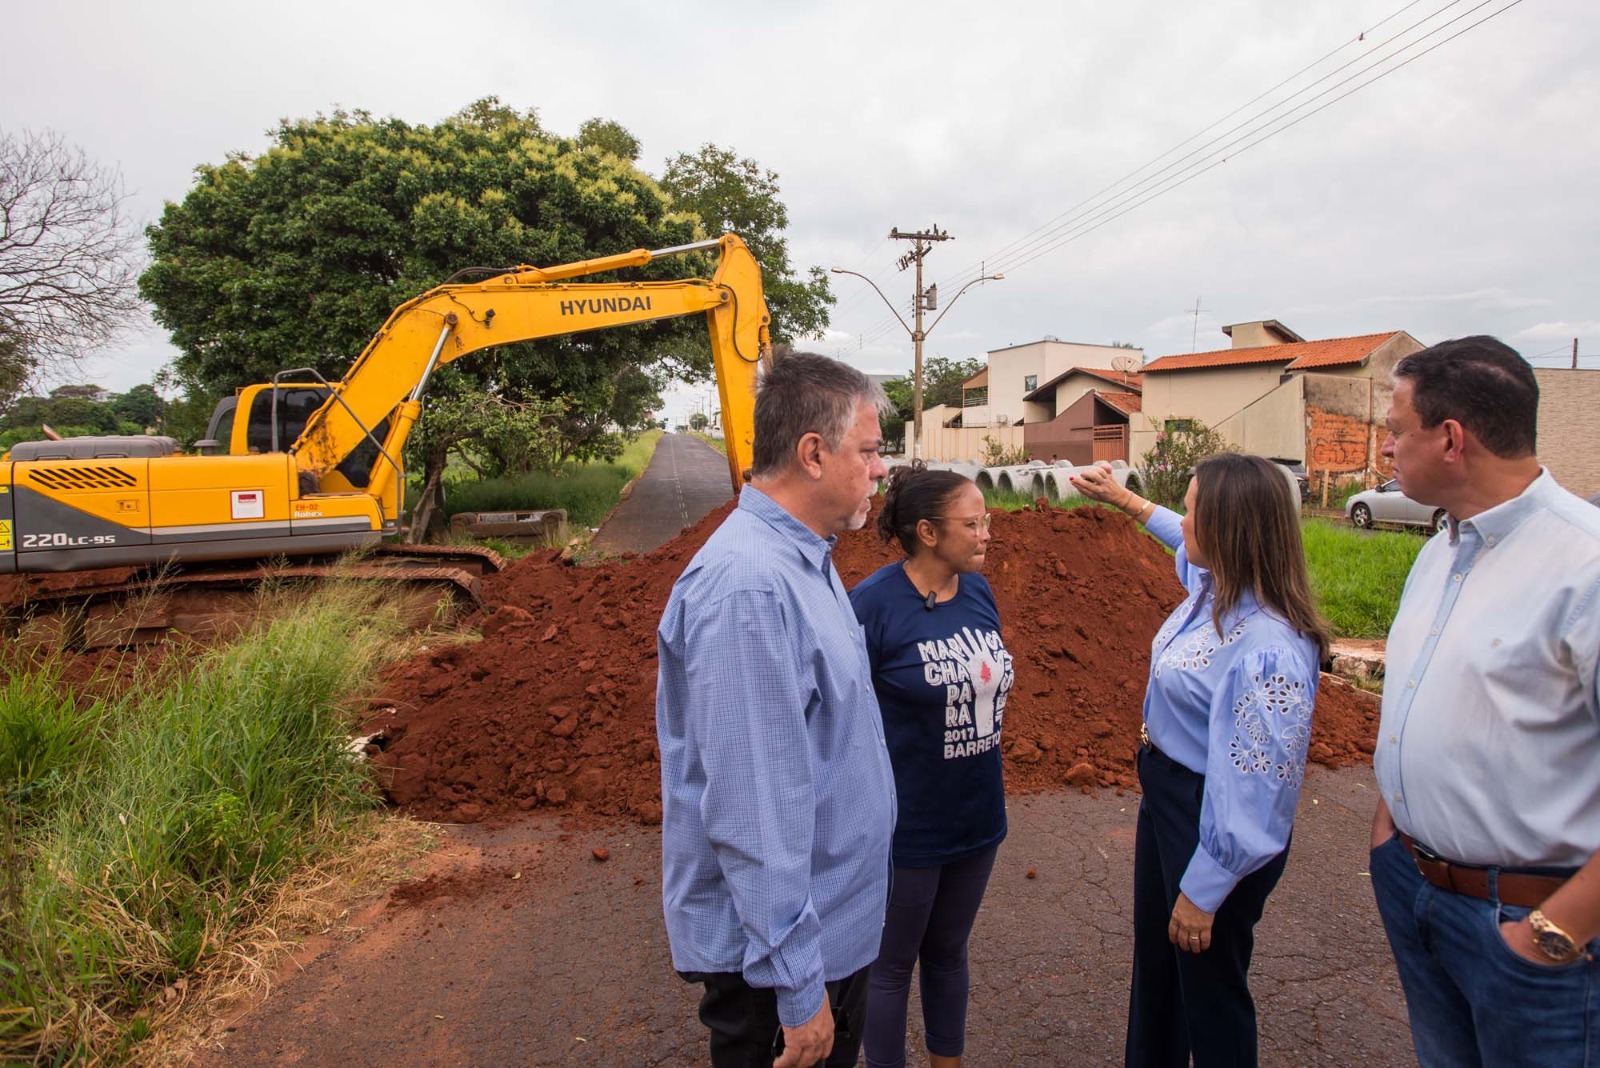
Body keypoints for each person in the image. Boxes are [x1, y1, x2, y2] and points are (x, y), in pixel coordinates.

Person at [656, 351, 898, 1068]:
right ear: (814, 453)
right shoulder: (751, 590)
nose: (882, 469)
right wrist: (798, 989)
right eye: (871, 450)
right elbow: (753, 811)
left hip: (825, 937)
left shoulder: (804, 558)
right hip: (784, 967)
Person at [1367, 336, 1600, 1067]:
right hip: (1418, 890)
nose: (1385, 448)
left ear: (1451, 439)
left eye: (1396, 429)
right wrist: (1389, 837)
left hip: (1532, 931)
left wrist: (1553, 933)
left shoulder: (1584, 566)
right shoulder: (1442, 550)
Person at [1071, 454, 1330, 1068]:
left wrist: (1207, 889)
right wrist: (1129, 503)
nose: (1181, 521)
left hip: (1209, 818)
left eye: (1190, 510)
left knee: (1208, 992)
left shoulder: (1266, 647)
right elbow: (1181, 547)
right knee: (1160, 973)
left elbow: (1257, 789)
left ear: (1229, 528)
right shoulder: (1217, 588)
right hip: (1169, 799)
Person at [849, 462, 1013, 1068]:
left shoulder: (978, 591)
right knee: (890, 968)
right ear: (927, 531)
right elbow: (842, 719)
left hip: (976, 817)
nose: (987, 533)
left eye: (986, 520)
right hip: (907, 827)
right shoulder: (871, 605)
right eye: (972, 523)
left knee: (949, 951)